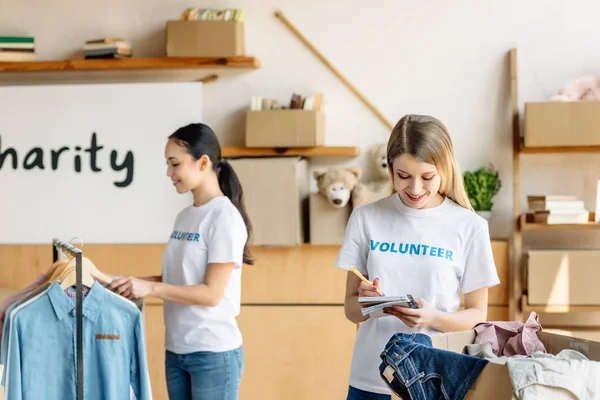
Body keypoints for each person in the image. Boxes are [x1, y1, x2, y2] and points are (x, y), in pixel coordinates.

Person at [335, 114, 500, 400]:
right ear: (390, 169)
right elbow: (350, 310)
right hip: (371, 378)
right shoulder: (365, 218)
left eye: (427, 177)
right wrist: (372, 304)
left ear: (444, 169)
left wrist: (432, 317)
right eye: (403, 176)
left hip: (433, 379)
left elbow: (477, 316)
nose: (414, 189)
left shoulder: (470, 226)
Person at [109, 122, 254, 400]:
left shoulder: (224, 218)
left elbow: (211, 294)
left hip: (212, 353)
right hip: (176, 351)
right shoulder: (186, 217)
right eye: (167, 164)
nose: (169, 172)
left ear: (203, 163)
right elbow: (180, 280)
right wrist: (133, 284)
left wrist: (149, 289)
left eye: (174, 164)